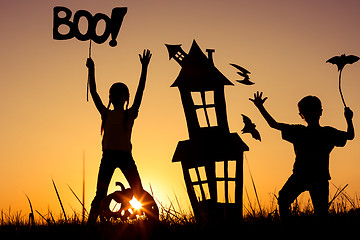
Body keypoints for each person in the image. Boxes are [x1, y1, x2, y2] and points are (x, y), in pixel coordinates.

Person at [250, 91, 354, 220]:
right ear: (321, 112)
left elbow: (273, 125)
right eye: (308, 111)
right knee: (318, 212)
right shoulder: (327, 132)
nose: (309, 114)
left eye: (310, 111)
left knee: (284, 199)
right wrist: (349, 120)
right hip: (314, 176)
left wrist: (260, 107)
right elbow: (350, 136)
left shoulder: (299, 131)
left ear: (301, 115)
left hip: (304, 176)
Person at [86, 49, 152, 224]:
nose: (117, 96)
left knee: (139, 190)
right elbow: (93, 92)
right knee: (100, 193)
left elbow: (140, 92)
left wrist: (144, 68)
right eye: (114, 94)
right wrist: (91, 70)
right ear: (111, 97)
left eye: (121, 94)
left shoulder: (129, 115)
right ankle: (90, 224)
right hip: (107, 157)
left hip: (125, 157)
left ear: (126, 98)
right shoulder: (105, 114)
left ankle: (151, 221)